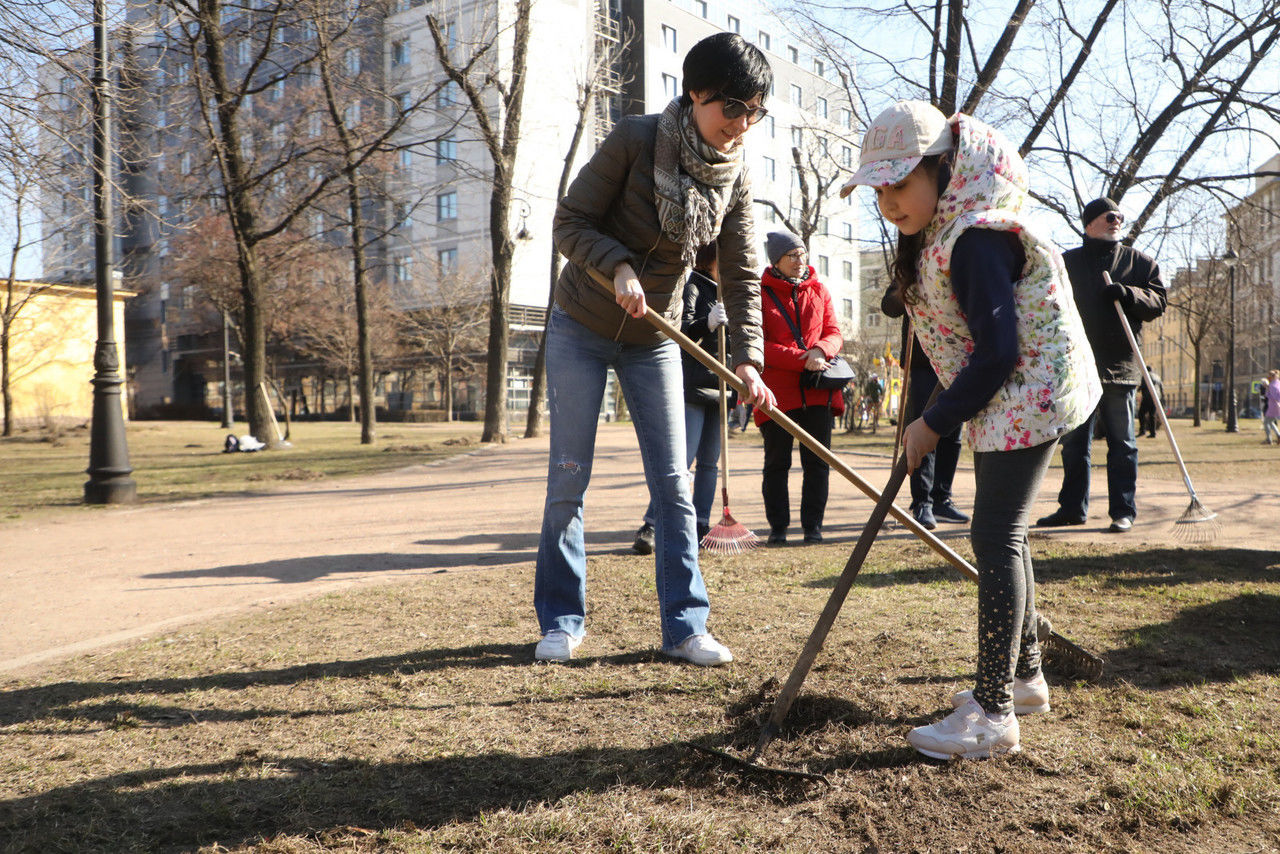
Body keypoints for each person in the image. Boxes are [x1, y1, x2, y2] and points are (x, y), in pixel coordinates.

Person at [841, 100, 1100, 759]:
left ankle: (992, 713)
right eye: (880, 189)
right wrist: (927, 410)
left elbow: (997, 355)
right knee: (1005, 535)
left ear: (943, 169)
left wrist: (933, 422)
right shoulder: (940, 232)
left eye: (901, 183)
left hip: (1032, 387)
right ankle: (1025, 677)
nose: (890, 201)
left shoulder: (978, 236)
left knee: (994, 535)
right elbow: (947, 345)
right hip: (1009, 392)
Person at [536, 33, 775, 666]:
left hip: (655, 338)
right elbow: (569, 223)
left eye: (755, 111)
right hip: (581, 325)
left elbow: (743, 274)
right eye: (732, 109)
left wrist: (750, 358)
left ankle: (685, 628)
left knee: (674, 484)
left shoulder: (736, 174)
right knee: (569, 480)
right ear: (697, 94)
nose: (742, 125)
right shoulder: (637, 140)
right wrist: (617, 267)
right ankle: (561, 619)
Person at [1036, 197, 1167, 534]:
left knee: (1123, 444)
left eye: (1120, 217)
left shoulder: (1138, 263)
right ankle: (1071, 508)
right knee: (1075, 444)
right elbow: (1043, 302)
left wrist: (1128, 294)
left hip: (1120, 368)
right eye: (1109, 217)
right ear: (1089, 223)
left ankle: (1123, 510)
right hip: (1076, 368)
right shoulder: (1067, 263)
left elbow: (1158, 302)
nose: (1116, 221)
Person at [633, 245, 733, 554]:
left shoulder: (731, 292)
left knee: (710, 464)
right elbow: (682, 331)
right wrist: (708, 323)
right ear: (711, 258)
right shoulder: (693, 285)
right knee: (682, 461)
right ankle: (653, 522)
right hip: (694, 385)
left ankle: (700, 522)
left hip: (722, 386)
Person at [756, 229, 844, 545]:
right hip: (777, 393)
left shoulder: (819, 290)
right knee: (777, 464)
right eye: (792, 255)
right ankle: (778, 528)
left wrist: (821, 351)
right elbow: (759, 346)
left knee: (818, 463)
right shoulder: (760, 294)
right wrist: (800, 359)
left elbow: (834, 332)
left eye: (802, 253)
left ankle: (813, 528)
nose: (799, 260)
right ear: (776, 260)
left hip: (819, 388)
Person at [881, 301, 969, 531]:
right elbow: (889, 306)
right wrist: (905, 288)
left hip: (955, 355)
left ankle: (942, 499)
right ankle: (922, 502)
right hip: (924, 361)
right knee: (924, 427)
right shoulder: (909, 265)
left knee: (952, 432)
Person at [1137, 370, 1163, 438]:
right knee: (1152, 415)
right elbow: (1161, 388)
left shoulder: (1146, 375)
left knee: (1141, 414)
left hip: (1148, 397)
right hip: (1156, 397)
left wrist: (1138, 389)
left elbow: (1143, 385)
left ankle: (1142, 430)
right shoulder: (1157, 376)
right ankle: (1153, 433)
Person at [1264, 369, 1280, 445]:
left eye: (1269, 376)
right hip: (1276, 406)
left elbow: (1274, 396)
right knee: (1270, 422)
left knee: (1266, 422)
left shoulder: (1272, 385)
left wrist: (1267, 389)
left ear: (1271, 377)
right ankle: (1278, 435)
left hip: (1273, 406)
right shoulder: (1278, 383)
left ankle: (1269, 439)